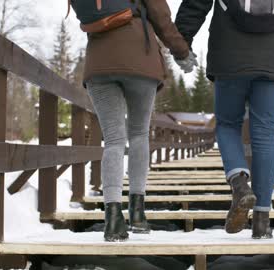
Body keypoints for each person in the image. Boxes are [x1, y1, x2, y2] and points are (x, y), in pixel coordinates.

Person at [174, 0, 274, 239]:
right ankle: (262, 222)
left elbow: (195, 3)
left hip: (229, 55)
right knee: (264, 132)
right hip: (273, 58)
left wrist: (181, 43)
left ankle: (240, 184)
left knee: (227, 125)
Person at [82, 0, 197, 242]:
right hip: (139, 59)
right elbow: (161, 17)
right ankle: (137, 214)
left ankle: (112, 219)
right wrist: (182, 52)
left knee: (113, 139)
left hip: (99, 63)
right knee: (138, 134)